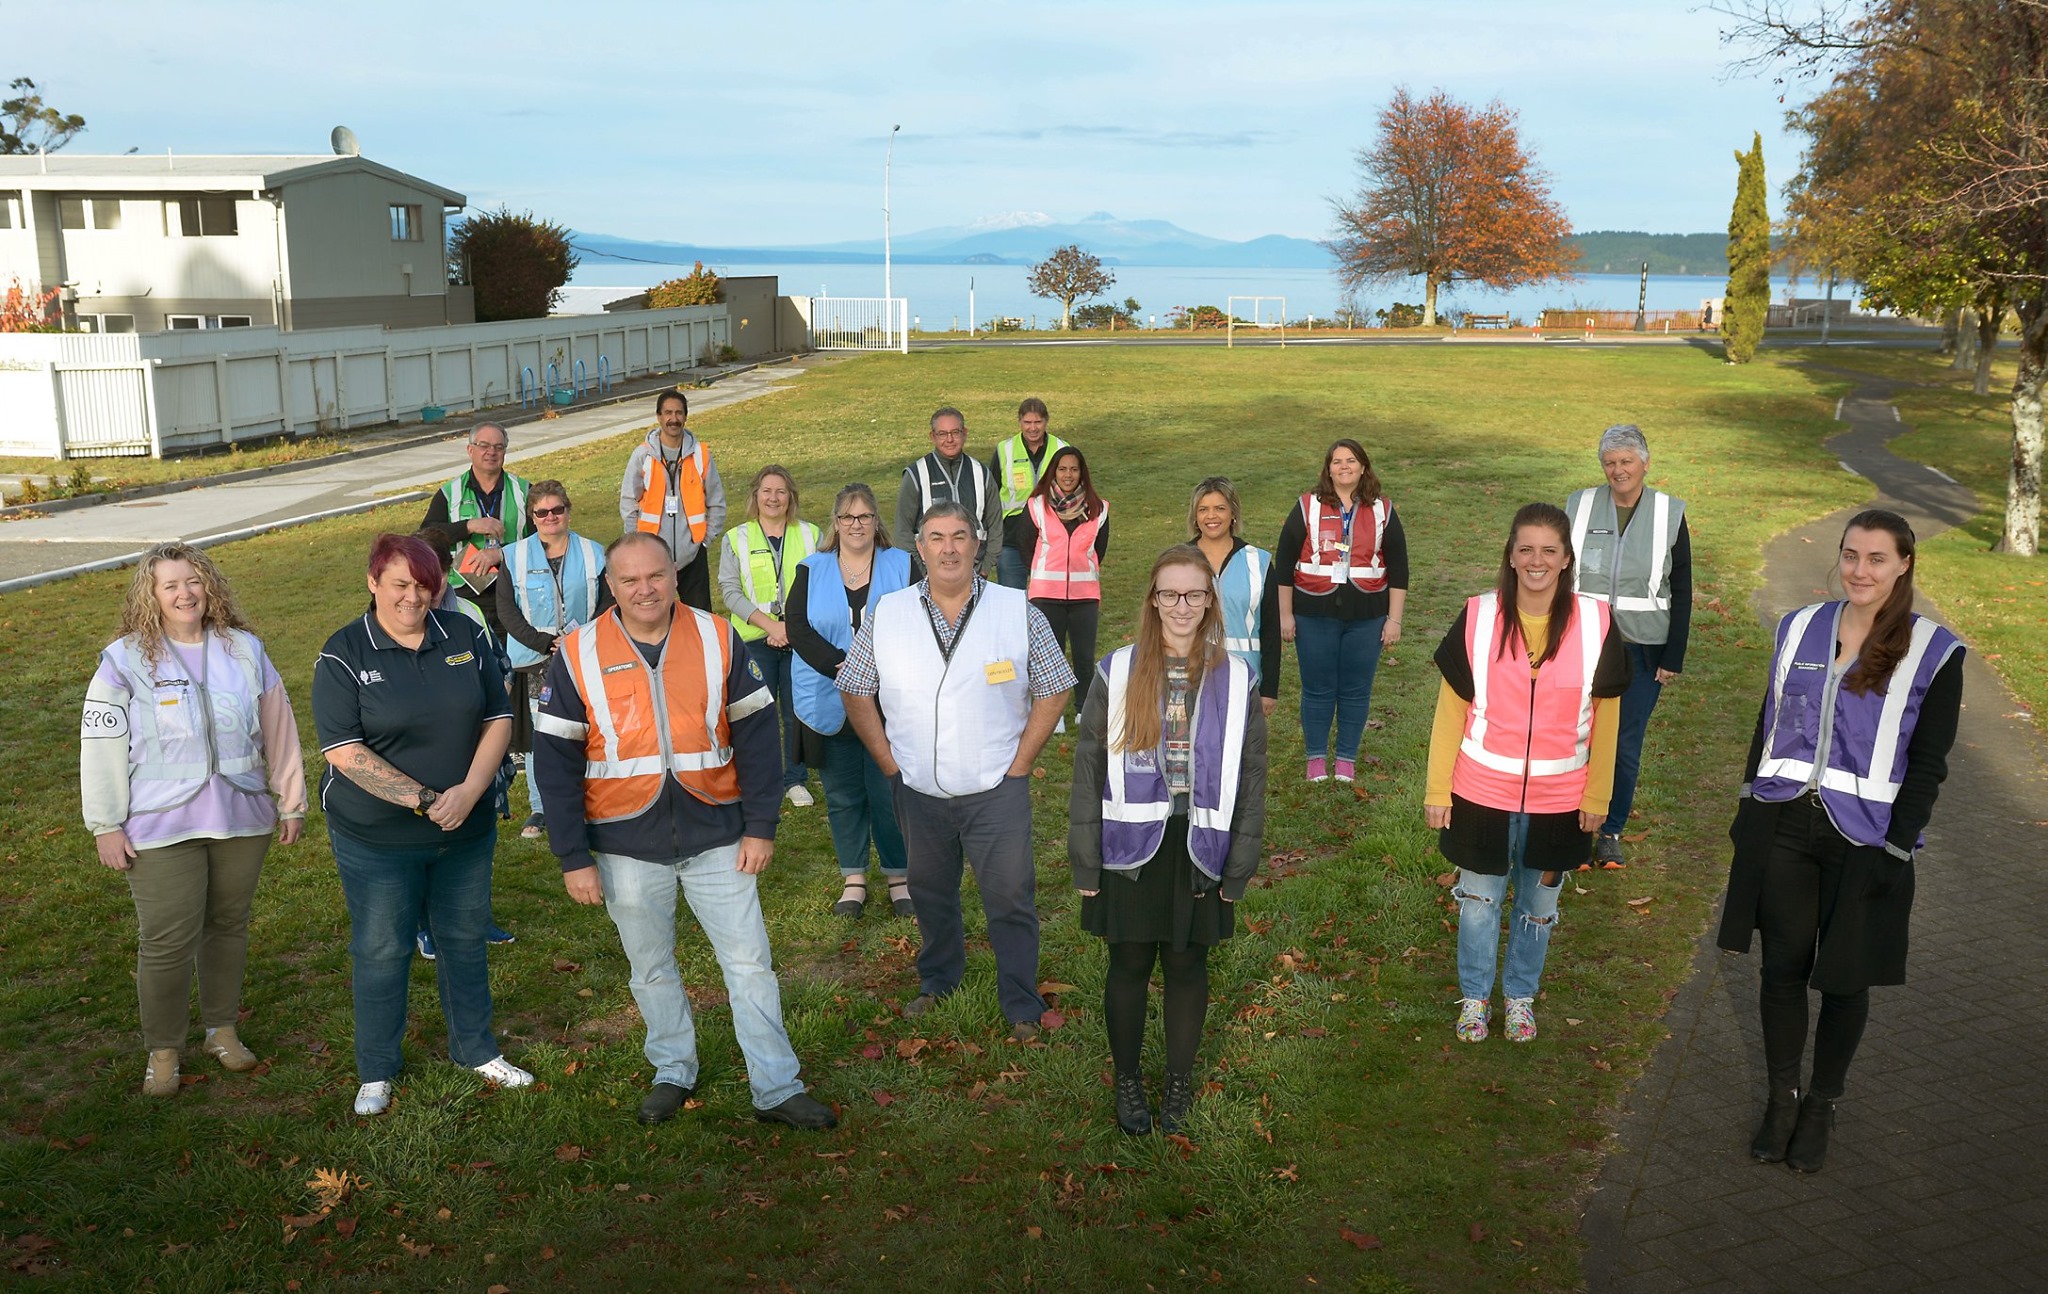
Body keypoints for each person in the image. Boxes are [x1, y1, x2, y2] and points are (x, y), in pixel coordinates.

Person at [531, 532, 837, 1131]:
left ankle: (776, 1086)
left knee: (750, 964)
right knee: (649, 968)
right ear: (611, 587)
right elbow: (554, 763)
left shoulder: (716, 635)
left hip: (720, 834)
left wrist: (761, 826)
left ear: (674, 575)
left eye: (656, 576)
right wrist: (572, 855)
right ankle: (672, 1068)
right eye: (630, 580)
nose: (645, 589)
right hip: (623, 843)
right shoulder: (576, 652)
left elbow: (755, 734)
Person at [1716, 509, 1962, 1174]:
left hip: (1867, 838)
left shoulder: (1934, 652)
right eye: (1851, 555)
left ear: (1904, 563)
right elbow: (1767, 722)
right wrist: (1747, 807)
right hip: (1785, 823)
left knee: (1847, 981)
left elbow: (1930, 763)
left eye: (1877, 558)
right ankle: (1780, 1099)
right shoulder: (1799, 626)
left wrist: (1899, 848)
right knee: (1781, 970)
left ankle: (1822, 1105)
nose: (1860, 570)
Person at [312, 533, 533, 1117]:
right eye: (400, 584)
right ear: (373, 582)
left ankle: (475, 1049)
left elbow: (499, 716)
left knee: (463, 941)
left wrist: (470, 792)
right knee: (382, 948)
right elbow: (343, 750)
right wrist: (425, 800)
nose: (414, 596)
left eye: (425, 584)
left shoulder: (463, 633)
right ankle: (377, 1069)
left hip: (466, 827)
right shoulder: (343, 653)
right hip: (378, 839)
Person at [839, 501, 1076, 1041]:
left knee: (1010, 896)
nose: (948, 548)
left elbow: (1057, 685)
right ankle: (939, 979)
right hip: (918, 789)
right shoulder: (889, 612)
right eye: (936, 538)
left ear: (978, 545)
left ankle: (1020, 1002)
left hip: (996, 788)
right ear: (918, 549)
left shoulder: (1018, 610)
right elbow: (855, 687)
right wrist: (886, 760)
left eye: (960, 536)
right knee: (929, 891)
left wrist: (1021, 763)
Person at [80, 543, 307, 1096]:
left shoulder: (246, 649)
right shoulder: (124, 659)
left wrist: (291, 799)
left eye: (193, 582)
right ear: (151, 596)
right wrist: (105, 823)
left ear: (209, 587)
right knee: (165, 940)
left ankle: (221, 1030)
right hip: (158, 825)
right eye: (170, 585)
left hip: (240, 816)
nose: (184, 594)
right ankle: (163, 1050)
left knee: (227, 928)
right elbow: (101, 744)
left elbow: (279, 729)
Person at [1069, 546, 1268, 1135]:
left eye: (1194, 594)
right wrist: (1086, 862)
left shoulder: (1238, 679)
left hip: (1199, 844)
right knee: (1128, 961)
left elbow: (1252, 773)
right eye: (1169, 594)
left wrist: (1240, 862)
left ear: (1210, 602)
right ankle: (1128, 1079)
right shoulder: (1117, 670)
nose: (1181, 605)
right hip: (1129, 845)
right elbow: (1088, 769)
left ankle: (1177, 1080)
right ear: (1153, 601)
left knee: (1187, 964)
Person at [1425, 503, 1628, 1046]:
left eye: (1549, 551)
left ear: (1566, 560)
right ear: (1510, 558)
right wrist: (1436, 788)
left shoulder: (1597, 623)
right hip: (1479, 791)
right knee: (1479, 904)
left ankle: (1519, 998)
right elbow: (1451, 712)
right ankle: (1474, 1000)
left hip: (1561, 800)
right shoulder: (1477, 617)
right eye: (1526, 549)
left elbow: (1609, 722)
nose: (1536, 560)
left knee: (1538, 910)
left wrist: (1598, 795)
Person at [785, 483, 915, 919]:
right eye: (847, 517)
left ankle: (899, 876)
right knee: (842, 795)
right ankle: (853, 877)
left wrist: (875, 672)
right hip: (828, 697)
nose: (855, 525)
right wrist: (843, 666)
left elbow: (919, 620)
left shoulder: (903, 565)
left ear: (875, 522)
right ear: (835, 523)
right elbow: (799, 628)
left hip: (888, 699)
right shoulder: (811, 568)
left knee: (889, 791)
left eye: (864, 517)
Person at [1567, 424, 1693, 868]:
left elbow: (1682, 586)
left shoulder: (1668, 512)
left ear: (1645, 463)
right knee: (1576, 736)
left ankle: (1610, 830)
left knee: (1624, 743)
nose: (1618, 470)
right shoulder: (1579, 506)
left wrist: (1672, 655)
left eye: (1626, 461)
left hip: (1644, 649)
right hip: (1583, 645)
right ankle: (1574, 826)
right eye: (1610, 462)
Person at [1274, 439, 1409, 783]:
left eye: (1351, 460)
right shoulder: (1306, 506)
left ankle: (1346, 758)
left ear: (1363, 467)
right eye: (1337, 461)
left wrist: (1394, 619)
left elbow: (1399, 568)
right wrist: (1285, 615)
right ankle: (1316, 759)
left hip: (1368, 616)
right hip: (1312, 612)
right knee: (1317, 688)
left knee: (1356, 689)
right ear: (1328, 468)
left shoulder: (1383, 509)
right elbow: (1285, 563)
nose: (1344, 466)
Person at [496, 480, 607, 841]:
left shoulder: (594, 552)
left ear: (568, 510)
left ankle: (590, 795)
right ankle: (541, 806)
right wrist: (544, 642)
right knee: (541, 734)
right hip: (536, 657)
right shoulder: (514, 555)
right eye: (541, 512)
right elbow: (506, 611)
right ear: (532, 517)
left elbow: (608, 602)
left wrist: (581, 639)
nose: (550, 517)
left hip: (585, 652)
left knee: (589, 726)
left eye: (557, 509)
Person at [718, 465, 823, 809]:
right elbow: (730, 592)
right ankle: (757, 780)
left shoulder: (812, 534)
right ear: (755, 496)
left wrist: (790, 629)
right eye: (767, 491)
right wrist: (771, 626)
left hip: (799, 641)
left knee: (796, 712)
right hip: (753, 640)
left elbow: (822, 587)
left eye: (781, 491)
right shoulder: (736, 538)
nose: (774, 498)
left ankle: (794, 780)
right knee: (755, 714)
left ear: (791, 496)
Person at [1018, 446, 1108, 728]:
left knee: (1084, 656)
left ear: (1082, 473)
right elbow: (1025, 546)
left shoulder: (1099, 509)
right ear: (1053, 472)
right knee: (1049, 657)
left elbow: (1100, 549)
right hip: (1046, 595)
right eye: (1062, 469)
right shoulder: (1036, 507)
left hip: (1085, 596)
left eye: (1074, 469)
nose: (1068, 475)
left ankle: (1084, 709)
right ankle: (1052, 715)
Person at [420, 422, 529, 640]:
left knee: (510, 661)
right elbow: (425, 535)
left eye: (499, 447)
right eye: (484, 445)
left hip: (512, 590)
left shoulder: (523, 490)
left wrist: (501, 553)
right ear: (470, 450)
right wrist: (469, 526)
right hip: (462, 592)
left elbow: (542, 540)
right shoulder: (450, 493)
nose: (491, 452)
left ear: (505, 452)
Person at [621, 389, 728, 611]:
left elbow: (716, 501)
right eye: (668, 413)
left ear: (686, 417)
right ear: (659, 416)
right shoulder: (643, 456)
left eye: (679, 413)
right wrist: (637, 542)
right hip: (653, 556)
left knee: (700, 619)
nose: (674, 419)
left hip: (693, 555)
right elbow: (629, 501)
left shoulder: (701, 455)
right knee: (656, 614)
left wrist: (704, 541)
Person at [1189, 476, 1281, 718]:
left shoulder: (1258, 561)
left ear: (1233, 513)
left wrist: (1269, 690)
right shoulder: (1179, 560)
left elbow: (1271, 629)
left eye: (1220, 508)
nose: (1211, 516)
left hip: (1244, 678)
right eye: (1203, 509)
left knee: (1238, 752)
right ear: (1195, 517)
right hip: (1188, 677)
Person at [894, 407, 999, 578]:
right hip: (931, 575)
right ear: (932, 436)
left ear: (965, 433)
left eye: (955, 432)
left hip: (976, 573)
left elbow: (995, 525)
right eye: (942, 434)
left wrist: (986, 567)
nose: (949, 439)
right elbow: (902, 531)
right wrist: (923, 572)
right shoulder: (916, 475)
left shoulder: (982, 473)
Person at [990, 397, 1068, 589]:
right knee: (1012, 602)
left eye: (1037, 422)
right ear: (1019, 422)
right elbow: (990, 495)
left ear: (1046, 421)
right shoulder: (1004, 450)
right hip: (1011, 541)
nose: (1032, 428)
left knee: (1048, 601)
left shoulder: (1062, 449)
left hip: (1050, 540)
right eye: (1027, 422)